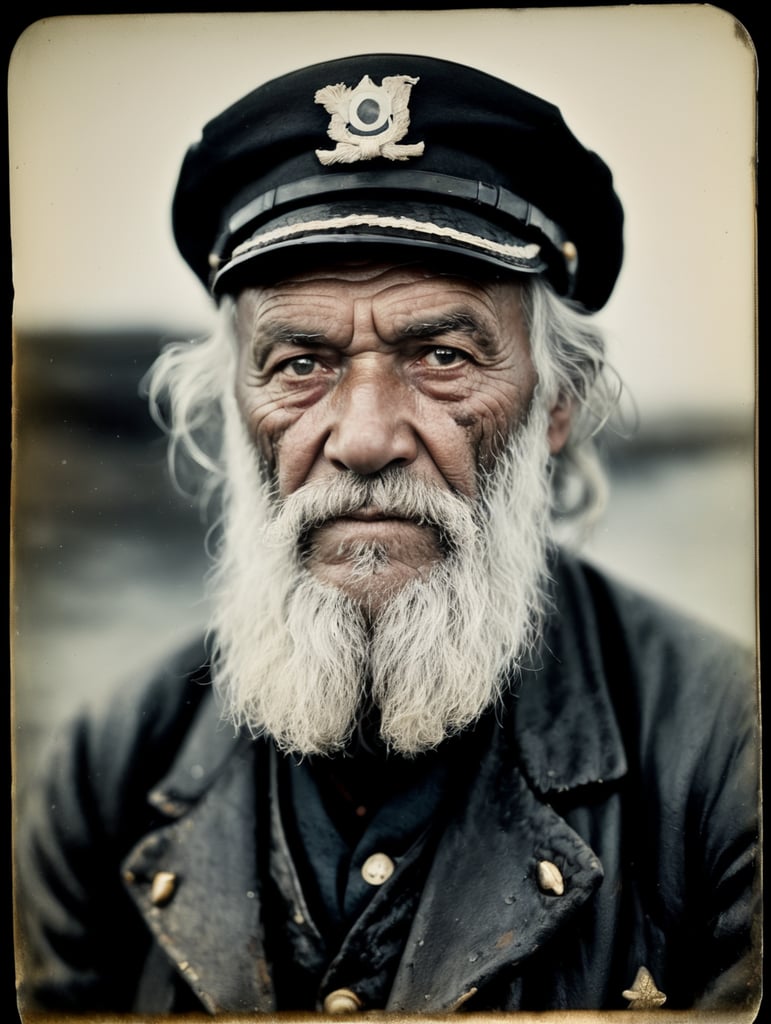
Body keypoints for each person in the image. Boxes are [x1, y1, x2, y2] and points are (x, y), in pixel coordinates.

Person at [15, 53, 760, 1018]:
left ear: (556, 405)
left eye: (442, 356)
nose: (363, 438)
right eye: (300, 363)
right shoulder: (110, 769)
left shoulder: (728, 761)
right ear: (232, 412)